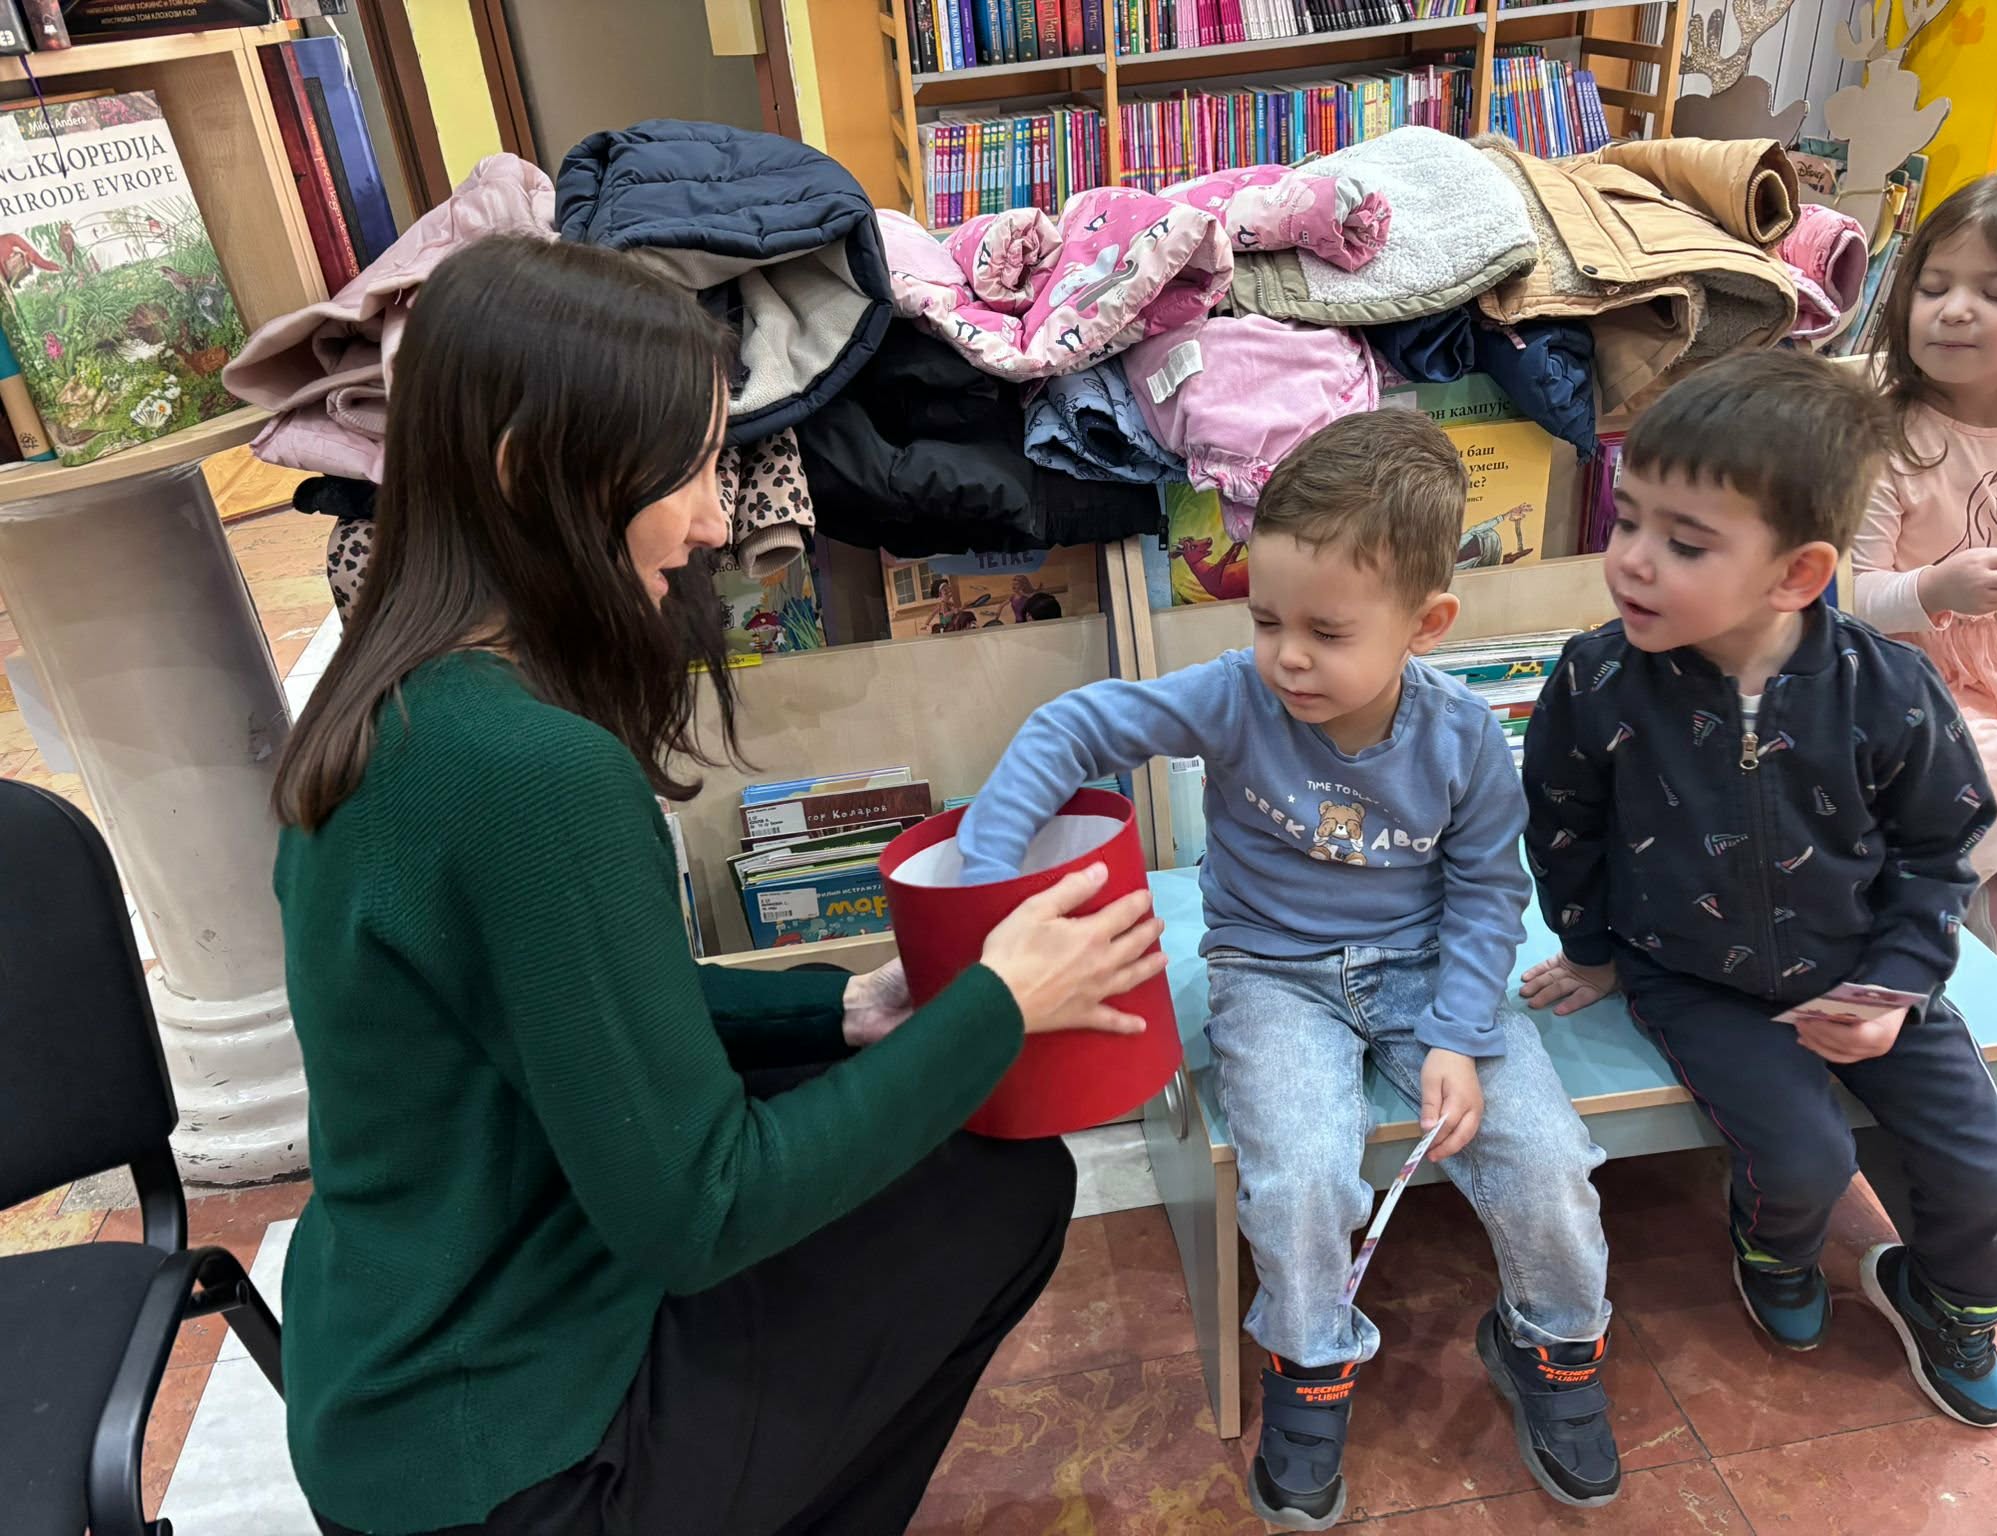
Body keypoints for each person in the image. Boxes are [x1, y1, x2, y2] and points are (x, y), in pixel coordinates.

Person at [268, 235, 1167, 1536]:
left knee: (926, 1147)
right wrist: (998, 1008)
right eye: (684, 469)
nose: (712, 520)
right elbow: (705, 1209)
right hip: (508, 1460)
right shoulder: (531, 774)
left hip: (389, 1374)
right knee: (998, 1192)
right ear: (531, 471)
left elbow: (572, 1003)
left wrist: (835, 1011)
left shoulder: (383, 703)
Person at [955, 410, 1619, 1528]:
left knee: (1547, 1157)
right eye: (1265, 620)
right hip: (1270, 974)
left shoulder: (1462, 737)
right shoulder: (1234, 694)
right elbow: (1071, 730)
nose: (1288, 656)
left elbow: (1487, 894)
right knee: (1301, 1177)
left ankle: (1551, 1346)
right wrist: (985, 877)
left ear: (1426, 624)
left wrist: (1458, 1035)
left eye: (1326, 630)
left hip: (1428, 973)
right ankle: (1308, 1372)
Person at [1521, 350, 1997, 1430]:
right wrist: (1592, 948)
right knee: (1801, 1161)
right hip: (1693, 977)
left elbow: (1940, 847)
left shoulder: (1887, 688)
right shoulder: (1597, 676)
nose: (1631, 561)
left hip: (1869, 964)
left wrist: (1893, 985)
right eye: (1627, 521)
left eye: (1684, 542)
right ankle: (1775, 1256)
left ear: (1797, 574)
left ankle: (1946, 1304)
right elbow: (1560, 822)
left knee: (1983, 1169)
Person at [1849, 174, 1997, 997]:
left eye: (1994, 294)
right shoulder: (1888, 436)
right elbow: (1851, 598)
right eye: (1934, 287)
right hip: (1921, 672)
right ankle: (1962, 916)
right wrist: (1935, 588)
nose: (1954, 310)